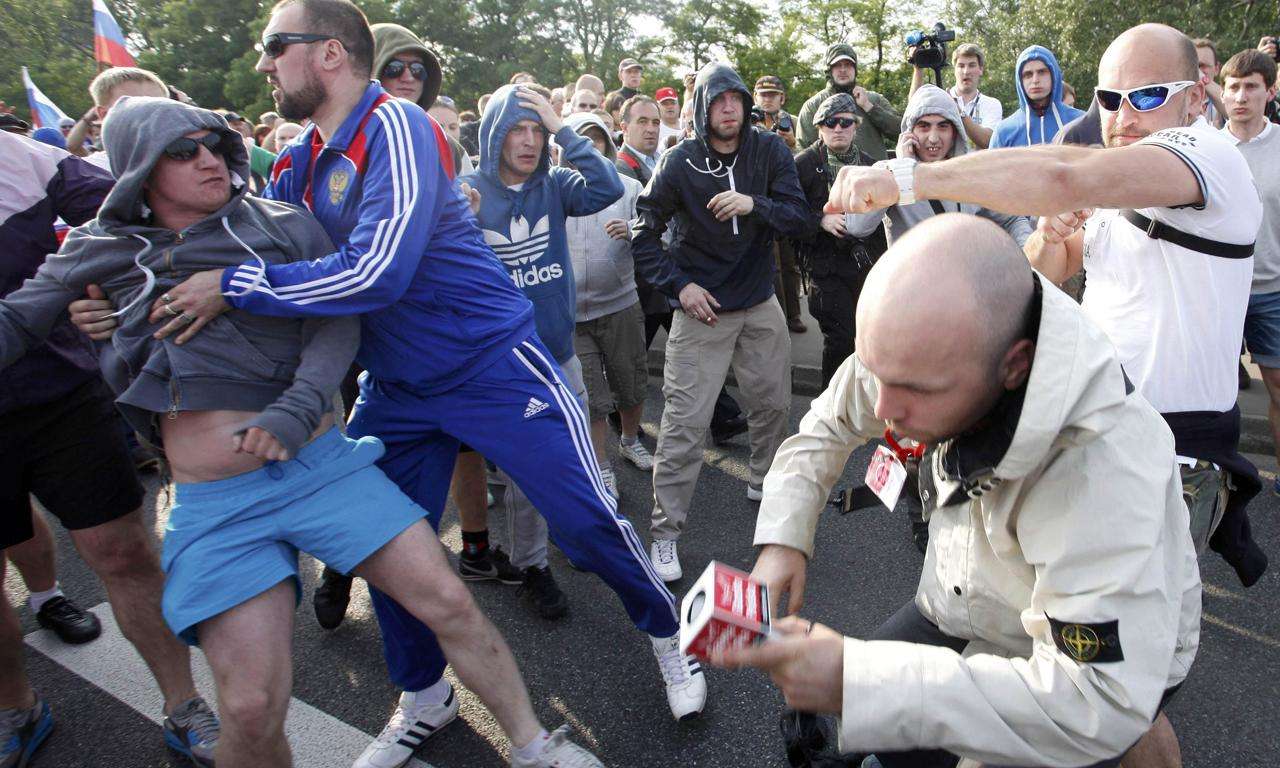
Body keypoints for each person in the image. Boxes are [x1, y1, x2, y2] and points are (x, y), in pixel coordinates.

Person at [118, 3, 706, 763]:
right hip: (397, 385)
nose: (264, 64)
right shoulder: (297, 161)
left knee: (585, 524)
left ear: (329, 53)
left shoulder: (391, 124)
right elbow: (223, 233)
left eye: (274, 47)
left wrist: (237, 285)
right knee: (386, 542)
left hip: (493, 365)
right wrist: (119, 298)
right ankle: (425, 695)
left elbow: (373, 272)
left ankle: (668, 637)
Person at [4, 95, 604, 768]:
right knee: (252, 709)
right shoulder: (102, 250)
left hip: (323, 467)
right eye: (181, 150)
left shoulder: (281, 222)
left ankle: (531, 746)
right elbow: (20, 319)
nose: (207, 158)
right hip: (217, 502)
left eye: (211, 142)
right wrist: (107, 334)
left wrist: (298, 403)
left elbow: (338, 316)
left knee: (450, 602)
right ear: (139, 166)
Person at [827, 25, 1267, 758]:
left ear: (1195, 99)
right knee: (1102, 683)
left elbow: (1065, 173)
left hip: (1173, 462)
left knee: (1115, 688)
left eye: (1148, 96)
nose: (1125, 116)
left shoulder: (1208, 155)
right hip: (1084, 446)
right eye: (1109, 98)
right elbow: (1043, 269)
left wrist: (909, 179)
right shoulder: (1116, 176)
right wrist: (1057, 235)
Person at [728, 213, 1202, 768]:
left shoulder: (1102, 469)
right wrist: (785, 534)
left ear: (1014, 365)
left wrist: (860, 683)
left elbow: (1093, 699)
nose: (883, 409)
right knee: (883, 729)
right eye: (876, 371)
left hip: (1078, 656)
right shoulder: (926, 346)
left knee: (1121, 720)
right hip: (962, 599)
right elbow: (830, 422)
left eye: (915, 391)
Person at [0, 130, 220, 768]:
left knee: (121, 552)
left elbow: (149, 207)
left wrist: (97, 288)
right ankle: (16, 705)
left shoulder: (29, 161)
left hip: (58, 399)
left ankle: (183, 705)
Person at [632, 62, 808, 581]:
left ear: (747, 104)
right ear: (702, 107)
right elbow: (644, 233)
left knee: (774, 406)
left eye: (736, 98)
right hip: (701, 308)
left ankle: (764, 481)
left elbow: (800, 217)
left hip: (757, 301)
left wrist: (755, 203)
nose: (729, 107)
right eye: (718, 99)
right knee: (684, 426)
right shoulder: (680, 160)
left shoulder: (769, 150)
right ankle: (664, 534)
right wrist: (679, 287)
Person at [460, 81, 625, 611]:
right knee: (525, 477)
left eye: (537, 130)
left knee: (576, 462)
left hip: (560, 352)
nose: (529, 141)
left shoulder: (553, 185)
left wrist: (564, 129)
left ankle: (575, 537)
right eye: (518, 130)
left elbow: (605, 187)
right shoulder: (468, 192)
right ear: (495, 136)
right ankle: (532, 567)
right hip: (506, 367)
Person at [561, 112, 656, 490]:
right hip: (571, 315)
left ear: (607, 144)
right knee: (590, 398)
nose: (589, 149)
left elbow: (658, 237)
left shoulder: (630, 188)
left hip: (620, 304)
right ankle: (601, 466)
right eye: (580, 140)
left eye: (596, 140)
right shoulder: (553, 190)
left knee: (630, 383)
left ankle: (631, 440)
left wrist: (634, 234)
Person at [843, 85, 1032, 248]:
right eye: (924, 127)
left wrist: (1031, 256)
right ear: (910, 131)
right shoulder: (887, 172)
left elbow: (1013, 218)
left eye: (943, 127)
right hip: (913, 286)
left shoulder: (970, 174)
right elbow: (857, 226)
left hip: (964, 284)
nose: (933, 138)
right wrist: (902, 170)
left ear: (955, 132)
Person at [793, 93, 887, 386]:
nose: (838, 128)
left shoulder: (873, 166)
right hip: (824, 267)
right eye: (830, 122)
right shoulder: (803, 165)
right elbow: (786, 216)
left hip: (864, 266)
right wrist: (819, 220)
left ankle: (857, 406)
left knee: (866, 337)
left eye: (845, 122)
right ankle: (828, 410)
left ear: (856, 127)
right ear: (819, 126)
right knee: (841, 338)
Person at [1223, 50, 1280, 490]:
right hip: (1218, 286)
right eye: (1233, 87)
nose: (1240, 96)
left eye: (1251, 87)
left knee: (1278, 389)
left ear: (1270, 91)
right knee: (1213, 392)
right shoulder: (1207, 146)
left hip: (1272, 290)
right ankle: (1213, 475)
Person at [371, 22, 474, 175]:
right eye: (394, 68)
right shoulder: (337, 141)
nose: (408, 77)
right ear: (370, 70)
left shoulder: (449, 150)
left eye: (417, 69)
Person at [797, 44, 901, 159]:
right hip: (831, 176)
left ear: (855, 69)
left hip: (874, 173)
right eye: (837, 65)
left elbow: (901, 132)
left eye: (848, 65)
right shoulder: (813, 106)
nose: (843, 70)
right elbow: (803, 151)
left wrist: (869, 107)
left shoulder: (873, 99)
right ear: (829, 70)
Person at [65, 67, 169, 168]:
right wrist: (88, 118)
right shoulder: (93, 172)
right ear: (104, 115)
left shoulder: (180, 161)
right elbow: (73, 147)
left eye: (161, 106)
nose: (152, 116)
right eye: (135, 107)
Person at [910, 42, 1003, 149]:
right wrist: (918, 68)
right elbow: (913, 107)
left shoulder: (992, 104)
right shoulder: (941, 98)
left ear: (981, 69)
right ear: (954, 70)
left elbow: (988, 142)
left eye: (972, 65)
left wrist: (957, 111)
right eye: (961, 66)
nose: (966, 71)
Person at [989, 45, 1084, 147]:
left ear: (1054, 75)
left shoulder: (1081, 122)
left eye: (1042, 72)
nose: (1035, 80)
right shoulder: (1004, 132)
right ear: (1020, 80)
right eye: (1028, 74)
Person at [753, 75, 796, 149]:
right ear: (755, 98)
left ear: (782, 98)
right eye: (763, 95)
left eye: (772, 95)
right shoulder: (745, 122)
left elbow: (807, 156)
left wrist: (792, 144)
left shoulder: (794, 122)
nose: (767, 99)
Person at [1194, 38, 1227, 127]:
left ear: (1217, 69)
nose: (1197, 71)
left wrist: (1204, 81)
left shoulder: (1222, 100)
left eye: (1202, 66)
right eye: (1193, 65)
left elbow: (1232, 107)